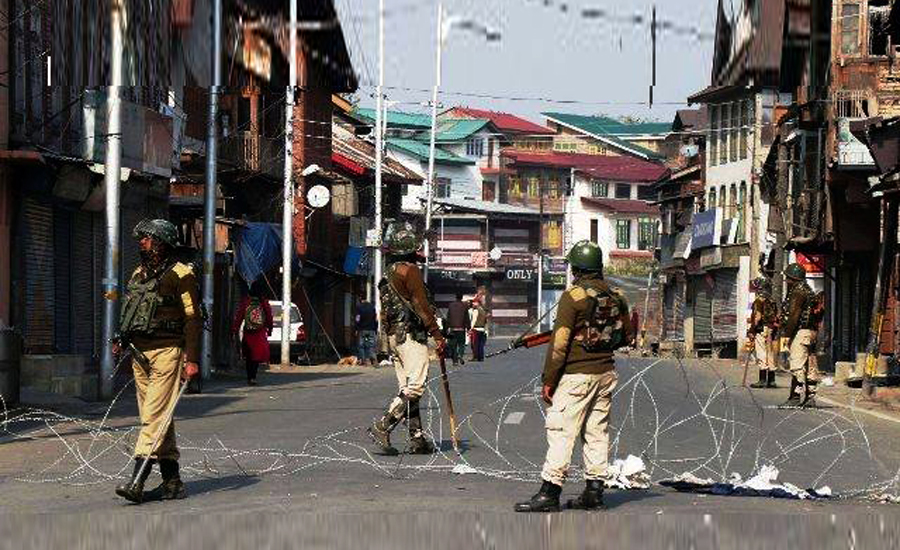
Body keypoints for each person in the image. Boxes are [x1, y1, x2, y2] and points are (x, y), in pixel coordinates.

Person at [515, 240, 633, 513]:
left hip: (576, 376)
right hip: (605, 373)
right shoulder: (617, 296)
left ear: (577, 269)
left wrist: (549, 380)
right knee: (596, 433)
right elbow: (626, 336)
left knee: (561, 432)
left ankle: (549, 493)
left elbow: (559, 344)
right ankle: (594, 492)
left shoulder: (574, 297)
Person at [114, 219, 201, 503]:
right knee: (159, 417)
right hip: (140, 354)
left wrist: (192, 358)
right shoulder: (138, 274)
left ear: (161, 242)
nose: (142, 242)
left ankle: (137, 479)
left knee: (152, 416)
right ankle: (172, 481)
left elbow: (192, 319)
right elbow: (130, 310)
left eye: (147, 238)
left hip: (168, 352)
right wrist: (121, 339)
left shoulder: (180, 274)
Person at [368, 221, 447, 455]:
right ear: (412, 250)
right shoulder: (410, 271)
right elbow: (421, 306)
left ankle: (417, 438)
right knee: (415, 386)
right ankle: (384, 424)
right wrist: (437, 335)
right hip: (411, 335)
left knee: (407, 389)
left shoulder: (388, 273)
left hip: (394, 337)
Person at [779, 263, 821, 408]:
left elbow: (794, 315)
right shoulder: (808, 290)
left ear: (793, 278)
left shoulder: (798, 291)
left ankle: (795, 397)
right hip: (811, 332)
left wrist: (787, 335)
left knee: (797, 366)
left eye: (788, 278)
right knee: (810, 366)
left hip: (801, 332)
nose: (787, 281)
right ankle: (810, 397)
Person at [231, 282, 274, 385]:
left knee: (249, 356)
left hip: (248, 332)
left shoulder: (246, 302)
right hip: (259, 333)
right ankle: (253, 377)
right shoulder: (263, 302)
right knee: (256, 356)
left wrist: (234, 330)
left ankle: (249, 377)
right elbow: (269, 317)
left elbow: (239, 317)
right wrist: (270, 329)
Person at [748, 277, 779, 389]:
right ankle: (771, 380)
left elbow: (757, 317)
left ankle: (762, 380)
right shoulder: (772, 301)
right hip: (771, 329)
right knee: (770, 353)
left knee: (761, 353)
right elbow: (776, 316)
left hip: (761, 329)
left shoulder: (758, 301)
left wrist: (752, 330)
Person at [446, 292, 470, 366]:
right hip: (461, 329)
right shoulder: (464, 306)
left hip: (453, 328)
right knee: (461, 344)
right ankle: (460, 355)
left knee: (453, 345)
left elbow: (448, 317)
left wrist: (447, 327)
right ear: (462, 297)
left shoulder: (451, 305)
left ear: (455, 297)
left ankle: (455, 361)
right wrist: (468, 327)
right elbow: (467, 318)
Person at [356, 296, 379, 367]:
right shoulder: (372, 307)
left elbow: (357, 319)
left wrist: (356, 329)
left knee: (361, 346)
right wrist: (375, 329)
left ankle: (364, 361)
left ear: (360, 299)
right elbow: (376, 319)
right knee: (371, 345)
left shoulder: (359, 307)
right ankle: (373, 359)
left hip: (362, 329)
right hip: (371, 329)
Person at [469, 298, 488, 362]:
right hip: (482, 329)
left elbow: (473, 321)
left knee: (475, 344)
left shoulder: (476, 310)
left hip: (476, 329)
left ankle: (475, 357)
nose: (473, 304)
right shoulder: (483, 311)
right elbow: (485, 321)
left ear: (477, 303)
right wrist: (486, 330)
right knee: (481, 344)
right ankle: (481, 357)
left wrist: (470, 328)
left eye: (474, 302)